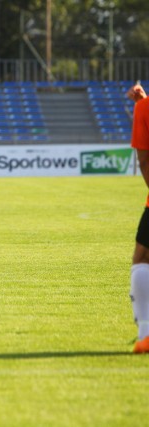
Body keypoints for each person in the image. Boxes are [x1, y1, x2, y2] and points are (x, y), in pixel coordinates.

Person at [127, 81, 149, 353]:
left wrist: (142, 105)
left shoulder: (145, 109)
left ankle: (146, 335)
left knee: (143, 257)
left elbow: (145, 161)